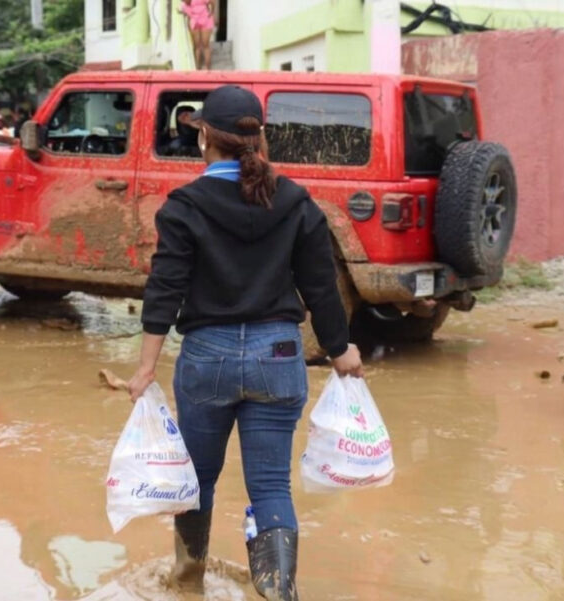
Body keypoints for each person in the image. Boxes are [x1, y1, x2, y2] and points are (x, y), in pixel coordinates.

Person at [128, 85, 363, 601]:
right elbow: (321, 287)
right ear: (259, 139)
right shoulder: (295, 201)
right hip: (278, 356)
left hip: (206, 357)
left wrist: (145, 367)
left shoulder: (185, 206)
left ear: (204, 138)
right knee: (272, 485)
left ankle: (187, 582)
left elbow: (164, 289)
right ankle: (278, 590)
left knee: (197, 480)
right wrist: (340, 350)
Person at [179, 0, 215, 70]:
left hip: (197, 21)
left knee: (199, 47)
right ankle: (206, 70)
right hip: (202, 20)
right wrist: (212, 11)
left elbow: (185, 13)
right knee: (204, 47)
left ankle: (200, 69)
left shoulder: (185, 6)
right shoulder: (185, 6)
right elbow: (212, 2)